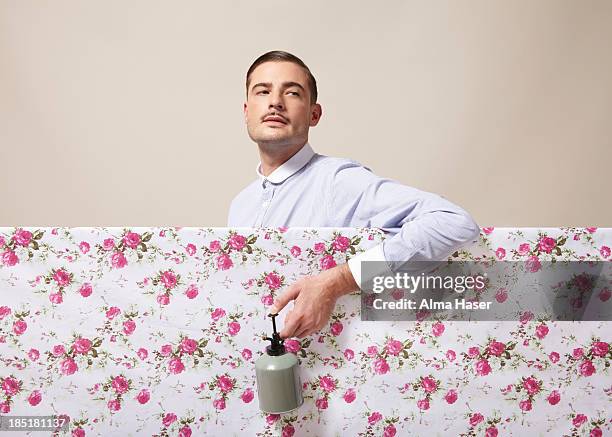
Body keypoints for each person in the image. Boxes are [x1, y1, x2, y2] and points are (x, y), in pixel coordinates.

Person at [227, 51, 480, 340]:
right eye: (263, 91)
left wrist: (339, 281)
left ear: (314, 114)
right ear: (246, 111)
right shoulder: (240, 205)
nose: (275, 102)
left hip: (328, 369)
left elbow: (453, 222)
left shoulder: (338, 182)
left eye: (293, 92)